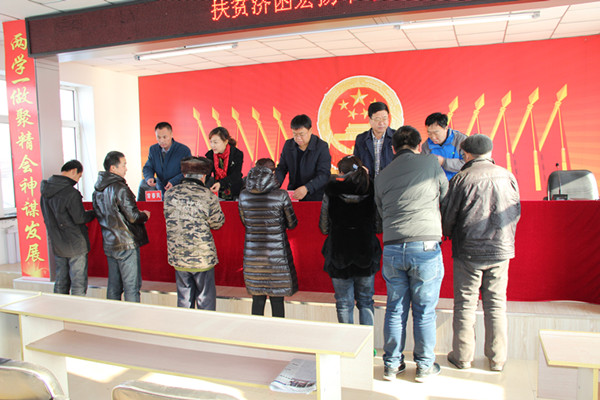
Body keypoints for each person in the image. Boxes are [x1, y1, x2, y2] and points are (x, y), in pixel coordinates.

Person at [375, 126, 448, 383]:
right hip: (425, 246)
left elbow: (381, 210)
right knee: (424, 311)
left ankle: (391, 365)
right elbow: (445, 193)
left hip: (393, 246)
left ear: (393, 148)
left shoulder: (382, 175)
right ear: (419, 146)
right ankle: (425, 366)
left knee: (395, 309)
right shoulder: (431, 163)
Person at [442, 134, 521, 372]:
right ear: (489, 152)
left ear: (466, 154)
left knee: (465, 304)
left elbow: (449, 215)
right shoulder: (508, 176)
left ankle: (463, 357)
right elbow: (516, 212)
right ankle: (497, 359)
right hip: (500, 250)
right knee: (496, 305)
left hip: (469, 250)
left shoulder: (461, 178)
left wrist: (447, 233)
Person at [319, 155, 381, 325]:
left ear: (341, 172)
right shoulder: (371, 187)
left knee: (344, 304)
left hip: (339, 253)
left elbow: (324, 226)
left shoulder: (331, 189)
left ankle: (348, 341)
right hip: (365, 252)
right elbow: (378, 225)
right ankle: (367, 341)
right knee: (366, 301)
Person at [238, 158, 298, 317]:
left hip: (253, 255)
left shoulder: (243, 195)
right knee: (277, 299)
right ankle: (278, 332)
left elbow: (245, 222)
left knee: (257, 300)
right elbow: (292, 223)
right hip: (276, 255)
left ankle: (257, 332)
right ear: (271, 173)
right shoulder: (281, 195)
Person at [163, 156, 225, 311]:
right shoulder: (207, 195)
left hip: (179, 257)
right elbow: (218, 223)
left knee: (184, 301)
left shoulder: (170, 194)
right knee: (205, 302)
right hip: (202, 258)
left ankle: (185, 326)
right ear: (203, 176)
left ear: (184, 174)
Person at [93, 151, 150, 302]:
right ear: (113, 168)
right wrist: (145, 215)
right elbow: (133, 216)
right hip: (126, 242)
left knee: (114, 287)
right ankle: (132, 316)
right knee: (131, 287)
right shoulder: (120, 188)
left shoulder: (97, 190)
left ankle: (113, 315)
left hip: (110, 242)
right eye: (123, 165)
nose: (126, 169)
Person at [40, 160, 95, 296]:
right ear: (74, 171)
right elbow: (80, 218)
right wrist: (93, 213)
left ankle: (59, 307)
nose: (78, 180)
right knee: (78, 283)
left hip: (57, 242)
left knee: (61, 281)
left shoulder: (45, 192)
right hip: (75, 243)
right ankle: (77, 309)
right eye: (79, 176)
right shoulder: (71, 193)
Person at [275, 114, 331, 201]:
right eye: (295, 134)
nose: (298, 138)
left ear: (310, 131)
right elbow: (281, 168)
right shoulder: (288, 145)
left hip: (314, 195)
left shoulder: (321, 147)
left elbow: (324, 174)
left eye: (301, 134)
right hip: (294, 194)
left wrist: (307, 188)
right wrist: (274, 186)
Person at [143, 122, 192, 194]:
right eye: (159, 137)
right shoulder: (153, 149)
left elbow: (188, 171)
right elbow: (148, 167)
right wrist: (149, 177)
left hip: (179, 190)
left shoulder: (183, 150)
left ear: (171, 134)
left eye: (164, 137)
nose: (162, 140)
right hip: (161, 189)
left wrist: (174, 181)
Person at [353, 102, 395, 179]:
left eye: (384, 118)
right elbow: (356, 163)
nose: (381, 123)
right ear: (370, 120)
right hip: (368, 183)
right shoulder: (361, 139)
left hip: (391, 182)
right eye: (377, 119)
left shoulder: (396, 137)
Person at [422, 112, 467, 180]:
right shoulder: (426, 146)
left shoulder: (461, 140)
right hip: (437, 183)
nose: (433, 137)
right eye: (429, 133)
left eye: (436, 133)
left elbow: (467, 164)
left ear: (446, 128)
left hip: (459, 182)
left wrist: (443, 162)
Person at [205, 127, 244, 200]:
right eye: (211, 142)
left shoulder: (237, 154)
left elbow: (236, 174)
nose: (212, 145)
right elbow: (207, 174)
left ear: (225, 141)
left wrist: (221, 183)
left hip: (235, 191)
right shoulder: (210, 155)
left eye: (215, 142)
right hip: (217, 191)